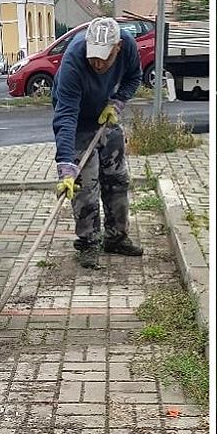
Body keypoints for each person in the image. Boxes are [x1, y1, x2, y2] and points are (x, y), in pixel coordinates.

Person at [52, 17, 143, 269]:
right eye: (94, 55)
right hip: (78, 119)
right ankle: (88, 243)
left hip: (106, 113)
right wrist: (66, 164)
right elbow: (66, 115)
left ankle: (116, 238)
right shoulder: (74, 59)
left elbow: (134, 76)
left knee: (117, 178)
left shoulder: (129, 47)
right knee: (85, 184)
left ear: (118, 47)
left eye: (105, 56)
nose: (98, 63)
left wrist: (118, 101)